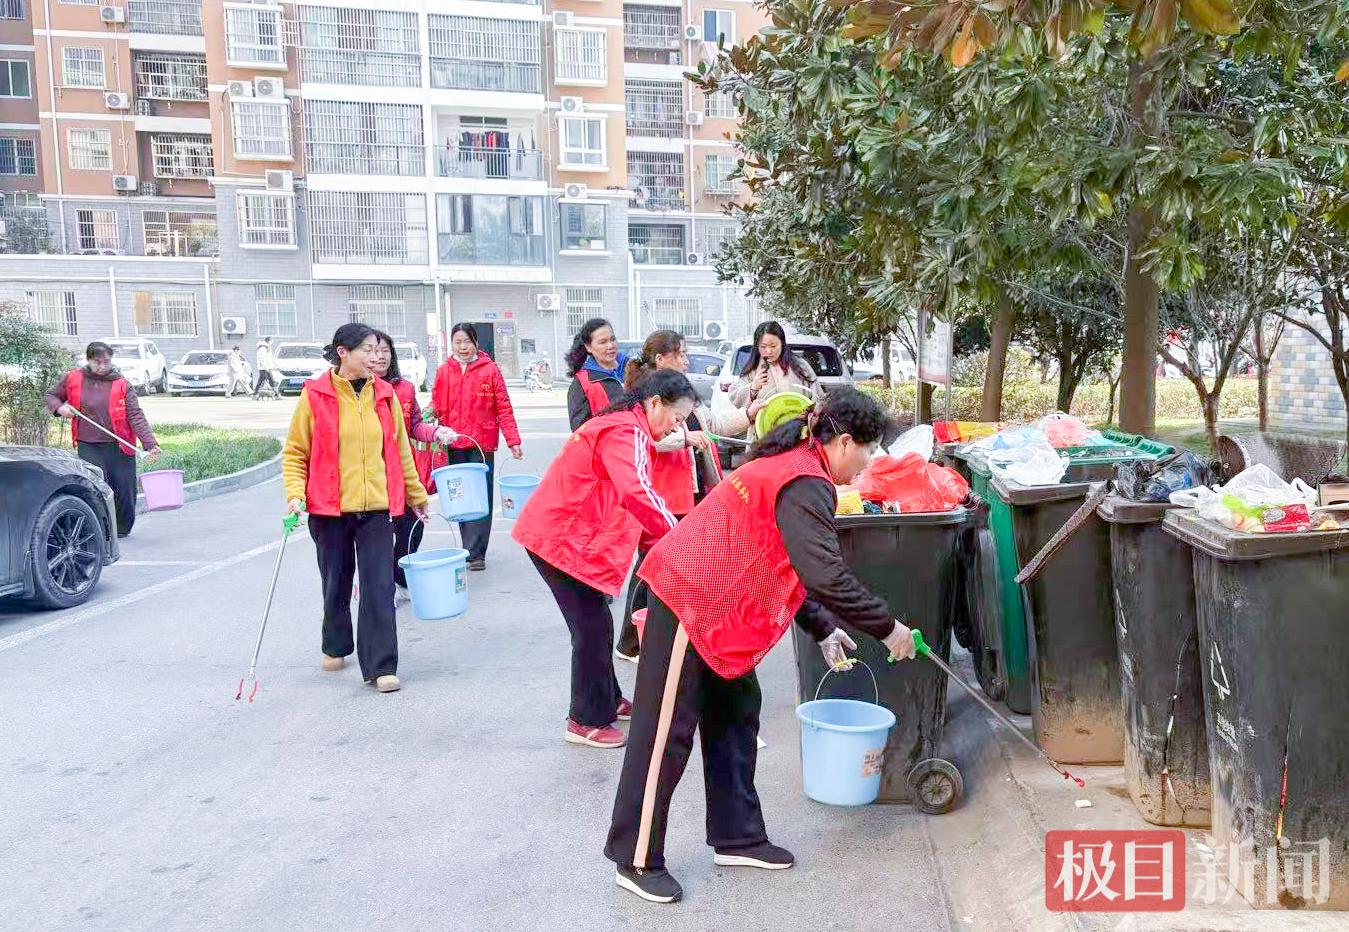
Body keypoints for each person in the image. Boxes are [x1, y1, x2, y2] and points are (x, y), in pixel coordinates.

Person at [604, 388, 918, 904]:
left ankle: (737, 836)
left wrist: (823, 628)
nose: (867, 464)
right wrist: (889, 629)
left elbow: (784, 560)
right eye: (868, 451)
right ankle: (635, 858)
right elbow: (825, 574)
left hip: (724, 609)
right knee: (664, 733)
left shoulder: (800, 466)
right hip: (689, 597)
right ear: (843, 442)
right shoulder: (805, 480)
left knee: (736, 713)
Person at [512, 369, 697, 750]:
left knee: (599, 623)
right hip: (560, 539)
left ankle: (607, 699)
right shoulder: (625, 432)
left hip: (573, 538)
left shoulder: (629, 426)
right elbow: (637, 492)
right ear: (654, 403)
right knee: (591, 630)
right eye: (677, 418)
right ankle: (585, 719)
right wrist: (680, 540)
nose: (677, 428)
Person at [281, 324, 430, 694]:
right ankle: (336, 643)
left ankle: (381, 665)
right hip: (329, 508)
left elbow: (400, 450)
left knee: (379, 586)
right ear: (342, 352)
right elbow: (296, 452)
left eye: (378, 349)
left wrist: (415, 494)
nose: (375, 357)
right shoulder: (315, 395)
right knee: (336, 582)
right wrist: (295, 494)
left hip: (377, 507)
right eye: (366, 349)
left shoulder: (385, 395)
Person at [613, 330, 764, 662]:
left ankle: (671, 635)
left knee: (675, 567)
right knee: (653, 568)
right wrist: (684, 438)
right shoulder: (649, 398)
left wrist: (749, 414)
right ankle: (634, 641)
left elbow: (713, 425)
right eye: (680, 354)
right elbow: (649, 439)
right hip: (663, 494)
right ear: (660, 359)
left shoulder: (683, 393)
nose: (686, 360)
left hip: (691, 491)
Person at [428, 323, 523, 571]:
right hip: (452, 443)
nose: (463, 347)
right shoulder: (443, 371)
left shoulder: (490, 370)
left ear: (476, 343)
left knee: (480, 497)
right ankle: (468, 547)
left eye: (467, 341)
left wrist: (513, 441)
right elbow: (436, 405)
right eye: (458, 342)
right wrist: (426, 423)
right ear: (452, 344)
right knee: (460, 497)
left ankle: (477, 553)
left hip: (481, 446)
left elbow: (503, 407)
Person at [46, 341, 161, 538]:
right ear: (88, 360)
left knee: (124, 489)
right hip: (88, 444)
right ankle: (99, 529)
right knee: (96, 488)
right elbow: (52, 396)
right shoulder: (73, 378)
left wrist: (150, 444)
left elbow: (135, 415)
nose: (102, 366)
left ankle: (122, 529)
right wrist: (60, 408)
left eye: (106, 362)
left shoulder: (121, 383)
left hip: (119, 444)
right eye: (97, 362)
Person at [367, 331, 439, 605]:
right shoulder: (359, 390)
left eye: (386, 351)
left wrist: (436, 433)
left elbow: (415, 425)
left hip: (403, 473)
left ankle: (400, 577)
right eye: (374, 351)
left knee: (412, 528)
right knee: (380, 534)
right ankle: (381, 585)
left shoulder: (405, 389)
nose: (380, 357)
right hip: (373, 475)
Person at [728, 321, 823, 442]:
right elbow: (736, 398)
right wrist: (753, 388)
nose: (768, 351)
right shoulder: (753, 370)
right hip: (763, 437)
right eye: (763, 347)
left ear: (782, 344)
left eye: (773, 346)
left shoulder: (800, 367)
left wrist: (811, 415)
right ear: (757, 346)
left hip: (798, 436)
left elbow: (817, 398)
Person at [566, 317, 628, 431]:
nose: (610, 346)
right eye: (603, 342)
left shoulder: (633, 367)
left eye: (612, 339)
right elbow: (580, 430)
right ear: (588, 347)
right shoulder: (583, 383)